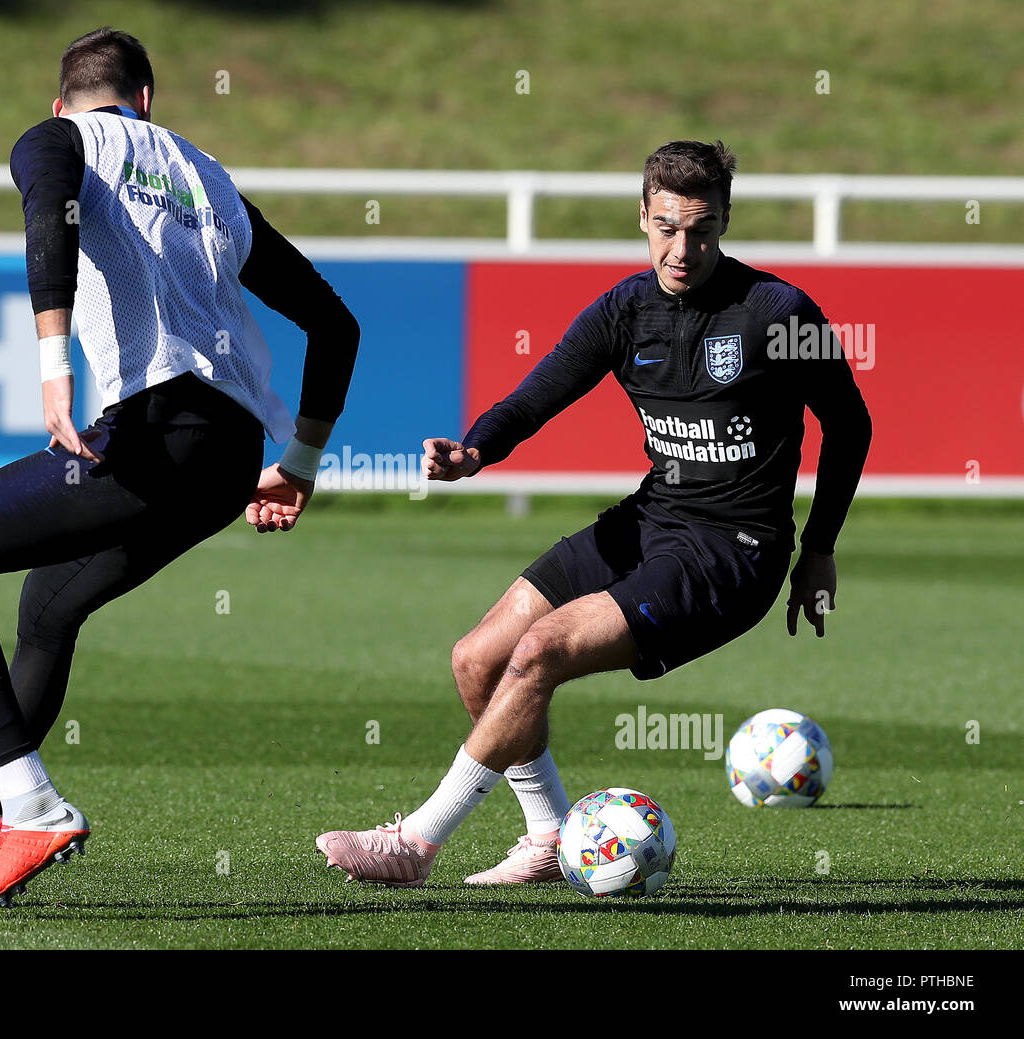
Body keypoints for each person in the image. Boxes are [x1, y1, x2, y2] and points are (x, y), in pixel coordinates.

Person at [0, 27, 359, 918]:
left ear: (60, 103)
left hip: (153, 434)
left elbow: (48, 214)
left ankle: (33, 803)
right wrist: (299, 465)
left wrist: (52, 373)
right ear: (149, 100)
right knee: (49, 606)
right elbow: (335, 324)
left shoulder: (57, 141)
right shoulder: (211, 176)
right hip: (230, 454)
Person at [317, 140, 870, 887]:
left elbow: (851, 422)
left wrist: (820, 547)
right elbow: (538, 395)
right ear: (642, 216)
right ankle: (548, 834)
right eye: (667, 227)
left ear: (726, 222)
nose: (683, 247)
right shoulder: (625, 309)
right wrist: (476, 451)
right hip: (652, 519)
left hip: (732, 551)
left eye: (702, 229)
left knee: (541, 648)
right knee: (477, 657)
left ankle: (417, 841)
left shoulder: (776, 313)